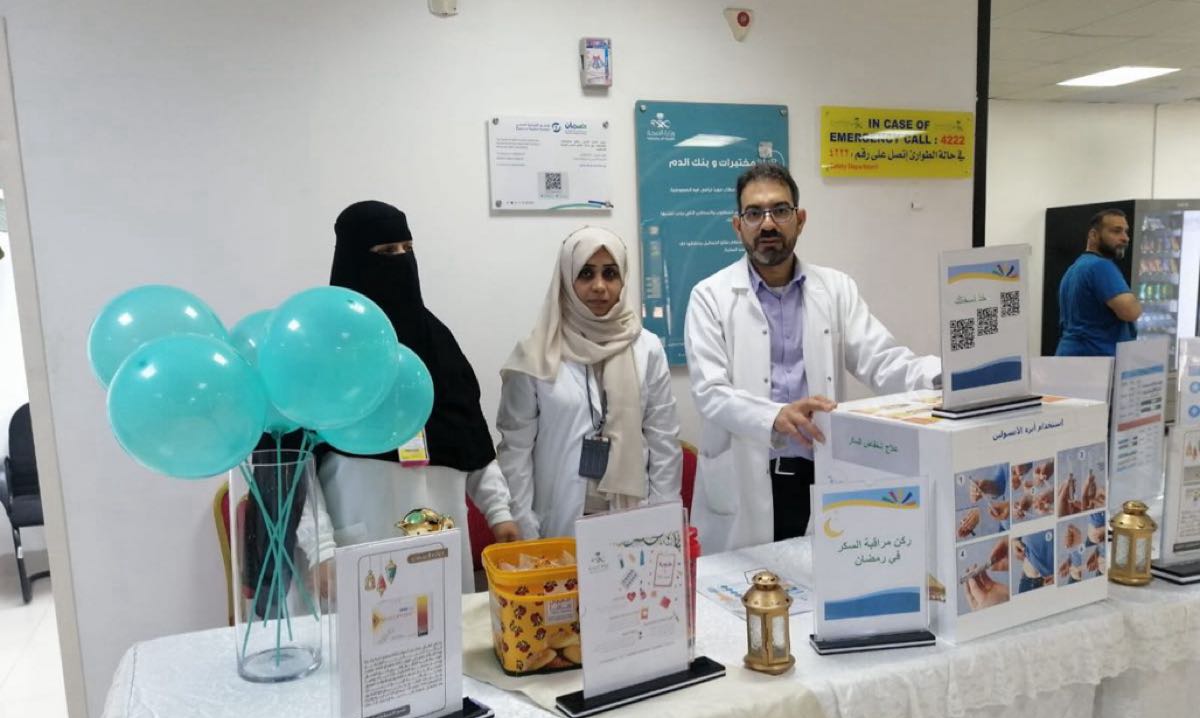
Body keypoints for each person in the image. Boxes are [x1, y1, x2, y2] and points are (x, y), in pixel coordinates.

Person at [683, 163, 939, 553]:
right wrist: (775, 416)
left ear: (800, 220)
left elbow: (882, 360)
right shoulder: (710, 296)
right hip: (745, 478)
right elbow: (710, 392)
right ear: (738, 226)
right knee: (748, 584)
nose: (768, 223)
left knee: (818, 578)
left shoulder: (835, 289)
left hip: (818, 471)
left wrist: (943, 376)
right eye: (754, 213)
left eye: (780, 210)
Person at [310, 200, 517, 590]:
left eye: (408, 249)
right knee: (371, 619)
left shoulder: (437, 342)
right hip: (360, 535)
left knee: (443, 622)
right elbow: (299, 466)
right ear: (354, 263)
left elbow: (470, 439)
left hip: (440, 532)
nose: (402, 261)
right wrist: (318, 548)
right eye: (387, 252)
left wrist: (499, 512)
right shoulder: (325, 352)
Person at [497, 226, 681, 539]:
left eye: (610, 273)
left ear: (622, 279)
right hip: (557, 519)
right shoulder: (536, 353)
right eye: (585, 273)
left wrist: (661, 522)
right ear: (566, 279)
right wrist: (525, 528)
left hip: (632, 516)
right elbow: (516, 451)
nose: (599, 286)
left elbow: (663, 442)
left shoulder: (646, 348)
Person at [1055, 209, 1141, 356]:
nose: (1125, 238)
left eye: (1126, 232)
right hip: (1095, 360)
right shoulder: (1100, 266)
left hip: (1070, 356)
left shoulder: (1074, 269)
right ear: (1093, 235)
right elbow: (1131, 311)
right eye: (1116, 231)